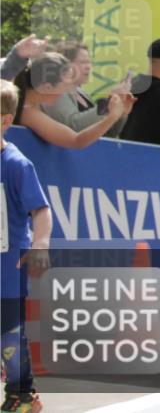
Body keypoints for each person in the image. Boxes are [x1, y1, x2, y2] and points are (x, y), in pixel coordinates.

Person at [1, 79, 52, 413]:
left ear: (5, 121)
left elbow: (41, 210)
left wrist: (41, 242)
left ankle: (22, 395)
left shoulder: (16, 165)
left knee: (9, 334)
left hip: (8, 269)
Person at [12, 52, 132, 149]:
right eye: (65, 86)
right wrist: (111, 116)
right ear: (47, 87)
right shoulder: (27, 112)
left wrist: (120, 113)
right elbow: (76, 140)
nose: (68, 91)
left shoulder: (30, 107)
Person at [41, 41, 128, 136]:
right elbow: (72, 126)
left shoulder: (82, 93)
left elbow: (108, 133)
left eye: (89, 62)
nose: (89, 67)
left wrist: (121, 113)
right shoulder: (56, 91)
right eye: (83, 62)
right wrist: (107, 103)